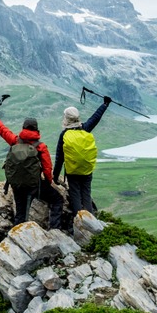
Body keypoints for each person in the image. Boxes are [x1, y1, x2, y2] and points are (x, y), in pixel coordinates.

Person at [0, 107, 64, 229]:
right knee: (57, 200)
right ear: (36, 129)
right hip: (34, 186)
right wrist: (48, 183)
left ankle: (16, 237)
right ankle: (55, 230)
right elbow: (47, 169)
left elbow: (2, 129)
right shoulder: (40, 147)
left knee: (20, 215)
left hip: (17, 185)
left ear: (23, 128)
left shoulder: (15, 141)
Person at [53, 96, 111, 227]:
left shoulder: (64, 135)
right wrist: (105, 105)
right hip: (86, 169)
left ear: (66, 118)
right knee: (86, 194)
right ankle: (92, 224)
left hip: (72, 171)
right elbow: (95, 118)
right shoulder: (85, 128)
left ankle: (80, 224)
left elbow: (59, 159)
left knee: (75, 196)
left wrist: (55, 177)